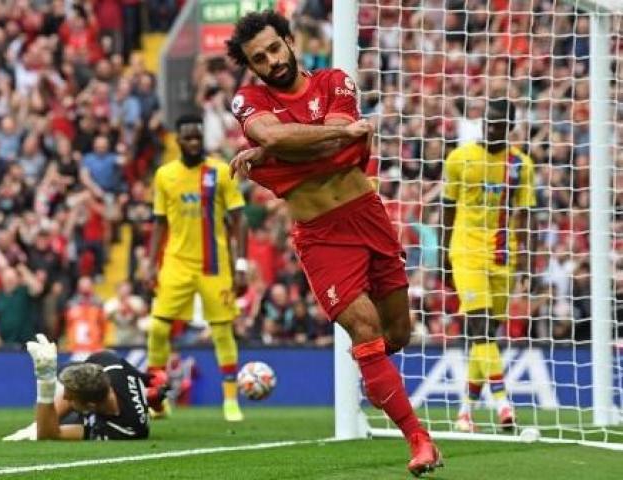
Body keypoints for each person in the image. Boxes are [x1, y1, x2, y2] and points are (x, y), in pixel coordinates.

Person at [225, 11, 441, 476]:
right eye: (259, 59)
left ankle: (378, 379)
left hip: (367, 219)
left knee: (395, 336)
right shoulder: (247, 99)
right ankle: (419, 440)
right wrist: (326, 137)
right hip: (320, 237)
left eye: (274, 49)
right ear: (252, 67)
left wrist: (280, 152)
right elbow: (289, 135)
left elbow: (324, 147)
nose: (270, 61)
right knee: (365, 331)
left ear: (289, 40)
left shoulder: (334, 80)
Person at [144, 113, 247, 422]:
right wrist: (150, 263)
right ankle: (156, 399)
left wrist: (240, 263)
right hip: (176, 263)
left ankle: (230, 401)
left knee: (221, 331)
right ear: (177, 140)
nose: (192, 142)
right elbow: (159, 222)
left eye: (197, 138)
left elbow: (239, 220)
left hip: (214, 265)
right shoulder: (165, 175)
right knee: (159, 328)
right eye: (187, 138)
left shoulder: (220, 171)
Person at [441, 99, 536, 433]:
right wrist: (442, 253)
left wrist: (527, 262)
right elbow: (447, 207)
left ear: (510, 127)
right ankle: (502, 402)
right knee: (480, 327)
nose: (491, 129)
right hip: (465, 252)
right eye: (488, 123)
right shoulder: (459, 159)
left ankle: (465, 411)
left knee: (486, 337)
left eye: (498, 125)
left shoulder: (520, 165)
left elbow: (524, 216)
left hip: (502, 256)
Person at [3, 335, 168, 441]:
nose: (64, 398)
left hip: (100, 414)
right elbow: (142, 378)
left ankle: (40, 419)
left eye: (70, 397)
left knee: (55, 420)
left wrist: (45, 379)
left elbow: (49, 434)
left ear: (90, 407)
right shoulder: (110, 363)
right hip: (98, 381)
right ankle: (37, 422)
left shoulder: (125, 429)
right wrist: (149, 384)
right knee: (65, 380)